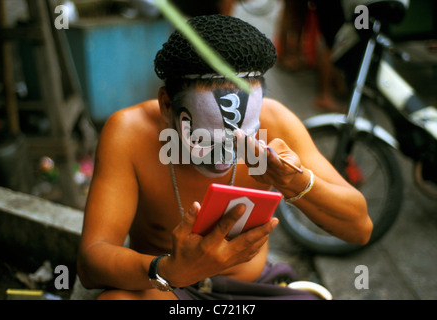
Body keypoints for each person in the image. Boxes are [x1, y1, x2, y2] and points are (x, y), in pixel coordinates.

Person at [77, 14, 372, 300]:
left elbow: (359, 228)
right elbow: (90, 266)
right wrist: (167, 270)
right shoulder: (129, 132)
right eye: (205, 138)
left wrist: (295, 184)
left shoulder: (276, 122)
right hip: (165, 290)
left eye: (246, 134)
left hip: (253, 290)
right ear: (167, 105)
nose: (226, 157)